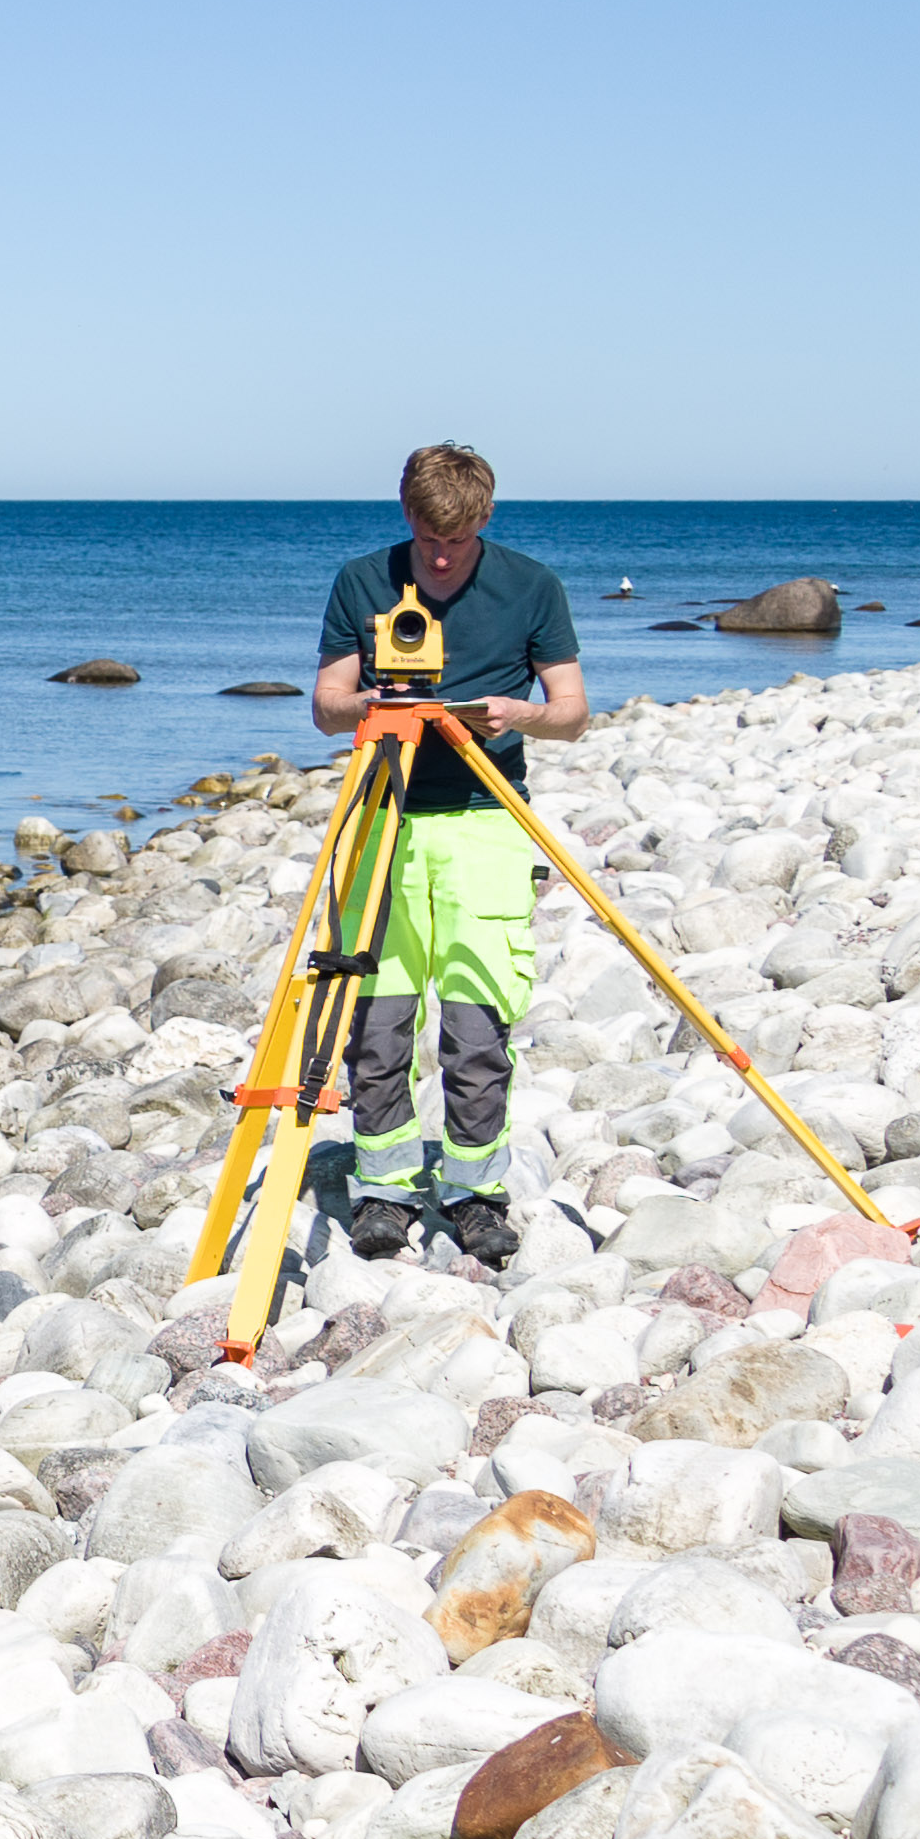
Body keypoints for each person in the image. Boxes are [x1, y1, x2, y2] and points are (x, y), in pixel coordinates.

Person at [307, 442, 585, 1268]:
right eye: (428, 537)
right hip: (382, 814)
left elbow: (572, 711)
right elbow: (325, 706)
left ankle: (475, 1194)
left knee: (475, 1021)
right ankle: (383, 1191)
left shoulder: (531, 585)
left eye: (456, 541)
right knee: (379, 1022)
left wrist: (516, 714)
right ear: (407, 514)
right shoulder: (363, 580)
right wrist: (374, 703)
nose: (439, 555)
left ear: (485, 520)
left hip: (484, 818)